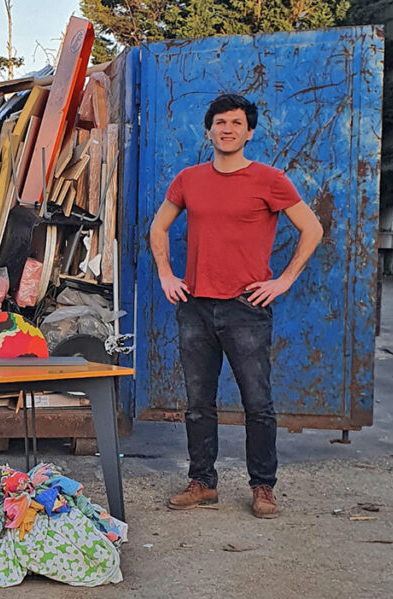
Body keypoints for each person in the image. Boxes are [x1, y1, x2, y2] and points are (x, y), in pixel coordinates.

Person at [149, 94, 323, 519]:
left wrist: (282, 281)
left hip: (246, 307)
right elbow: (158, 226)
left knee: (257, 404)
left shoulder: (270, 179)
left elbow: (312, 228)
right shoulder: (188, 179)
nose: (227, 129)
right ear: (208, 130)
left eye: (236, 123)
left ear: (249, 131)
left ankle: (263, 488)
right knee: (198, 403)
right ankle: (202, 482)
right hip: (195, 305)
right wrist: (166, 275)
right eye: (220, 122)